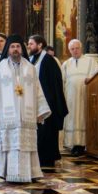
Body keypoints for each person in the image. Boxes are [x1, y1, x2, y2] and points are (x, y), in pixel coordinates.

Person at [0, 35, 51, 184]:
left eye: (18, 47)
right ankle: (6, 172)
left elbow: (37, 90)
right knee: (9, 144)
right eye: (12, 47)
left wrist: (41, 112)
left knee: (26, 145)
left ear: (22, 49)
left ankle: (29, 173)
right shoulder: (0, 68)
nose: (15, 49)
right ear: (8, 49)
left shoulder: (30, 68)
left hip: (27, 116)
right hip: (8, 117)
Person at [28, 34, 68, 169]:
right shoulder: (32, 59)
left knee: (47, 132)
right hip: (35, 102)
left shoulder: (48, 60)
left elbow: (55, 84)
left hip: (48, 103)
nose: (29, 46)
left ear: (40, 45)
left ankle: (47, 158)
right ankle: (39, 157)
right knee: (39, 132)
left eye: (31, 44)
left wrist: (51, 104)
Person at [61, 39, 98, 155]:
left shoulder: (90, 61)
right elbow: (62, 81)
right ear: (69, 50)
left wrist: (90, 80)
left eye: (77, 48)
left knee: (83, 118)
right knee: (72, 118)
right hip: (70, 97)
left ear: (81, 48)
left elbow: (96, 77)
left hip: (85, 95)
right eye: (72, 49)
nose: (75, 51)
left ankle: (82, 144)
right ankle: (72, 144)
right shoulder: (66, 64)